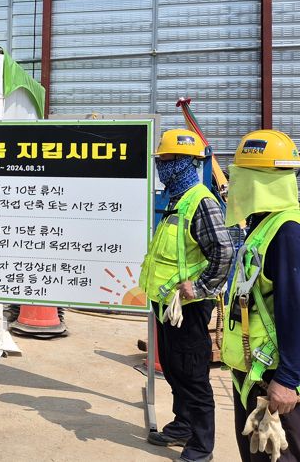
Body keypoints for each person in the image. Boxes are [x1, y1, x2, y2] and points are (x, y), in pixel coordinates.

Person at [140, 129, 235, 462]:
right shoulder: (175, 200)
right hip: (167, 305)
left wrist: (202, 286)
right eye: (160, 161)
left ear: (185, 164)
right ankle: (183, 424)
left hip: (189, 308)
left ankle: (200, 443)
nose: (162, 167)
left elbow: (224, 251)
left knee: (193, 375)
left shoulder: (201, 201)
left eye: (167, 161)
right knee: (174, 368)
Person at [221, 129, 300, 461]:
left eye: (239, 175)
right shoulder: (264, 225)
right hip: (254, 376)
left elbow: (296, 307)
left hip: (274, 382)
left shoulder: (286, 232)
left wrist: (288, 378)